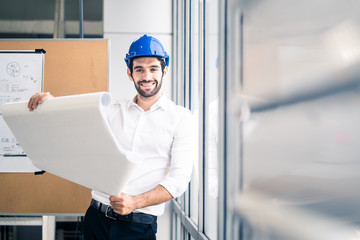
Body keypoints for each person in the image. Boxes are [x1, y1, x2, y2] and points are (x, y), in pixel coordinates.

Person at [28, 35, 197, 240]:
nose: (146, 76)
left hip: (138, 227)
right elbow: (74, 128)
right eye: (139, 69)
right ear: (129, 73)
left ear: (164, 71)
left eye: (153, 68)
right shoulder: (112, 111)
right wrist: (49, 104)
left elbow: (178, 181)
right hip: (96, 220)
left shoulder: (181, 118)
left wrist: (135, 202)